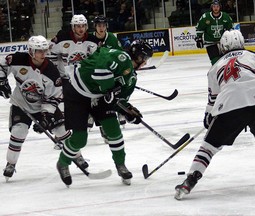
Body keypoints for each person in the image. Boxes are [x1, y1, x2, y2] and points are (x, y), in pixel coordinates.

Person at [174, 30, 255, 200]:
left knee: (209, 147)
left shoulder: (215, 67)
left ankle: (189, 181)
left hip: (230, 106)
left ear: (223, 46)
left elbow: (213, 98)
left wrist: (208, 116)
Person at [56, 40, 153, 187]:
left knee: (114, 131)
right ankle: (63, 162)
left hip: (99, 96)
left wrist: (128, 111)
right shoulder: (122, 57)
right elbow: (100, 70)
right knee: (79, 139)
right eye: (144, 58)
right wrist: (109, 89)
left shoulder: (132, 78)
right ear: (138, 56)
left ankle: (121, 165)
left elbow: (119, 100)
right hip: (77, 92)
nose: (145, 62)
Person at [0, 35, 71, 181]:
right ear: (31, 51)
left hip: (42, 106)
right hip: (21, 104)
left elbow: (54, 97)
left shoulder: (51, 71)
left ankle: (78, 156)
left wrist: (45, 117)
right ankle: (11, 164)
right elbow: (1, 65)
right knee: (18, 131)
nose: (43, 54)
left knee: (61, 130)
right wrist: (1, 81)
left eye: (44, 50)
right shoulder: (18, 59)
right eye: (39, 51)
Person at [49, 14, 99, 169]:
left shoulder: (93, 41)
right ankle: (64, 140)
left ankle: (73, 141)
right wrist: (54, 74)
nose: (81, 29)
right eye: (77, 26)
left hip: (83, 81)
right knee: (63, 110)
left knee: (82, 111)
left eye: (83, 26)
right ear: (72, 27)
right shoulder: (62, 38)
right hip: (65, 81)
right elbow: (50, 56)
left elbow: (98, 61)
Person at [194, 0, 233, 65]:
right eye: (214, 6)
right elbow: (200, 28)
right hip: (210, 43)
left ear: (220, 7)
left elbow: (230, 29)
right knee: (215, 62)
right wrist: (199, 38)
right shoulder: (205, 17)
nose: (216, 8)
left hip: (223, 43)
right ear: (211, 7)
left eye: (217, 6)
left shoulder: (225, 16)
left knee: (226, 61)